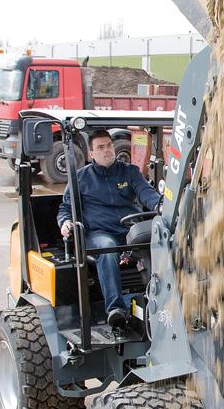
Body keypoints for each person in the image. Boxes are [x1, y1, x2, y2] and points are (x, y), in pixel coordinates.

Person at [57, 129, 161, 329]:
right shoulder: (81, 178)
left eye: (109, 145)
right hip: (98, 233)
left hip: (129, 229)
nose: (107, 151)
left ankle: (160, 300)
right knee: (108, 247)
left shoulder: (129, 172)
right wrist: (65, 223)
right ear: (91, 154)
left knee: (160, 241)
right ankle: (115, 309)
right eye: (101, 147)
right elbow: (65, 208)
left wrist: (160, 205)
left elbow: (145, 192)